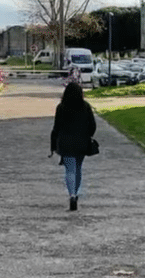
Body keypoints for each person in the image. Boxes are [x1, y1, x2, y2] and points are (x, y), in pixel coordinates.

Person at [50, 82, 96, 211]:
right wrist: (88, 135)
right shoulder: (85, 106)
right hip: (81, 141)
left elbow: (56, 127)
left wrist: (54, 143)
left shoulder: (61, 107)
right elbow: (92, 125)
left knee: (69, 170)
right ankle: (76, 192)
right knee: (78, 168)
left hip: (65, 142)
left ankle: (72, 195)